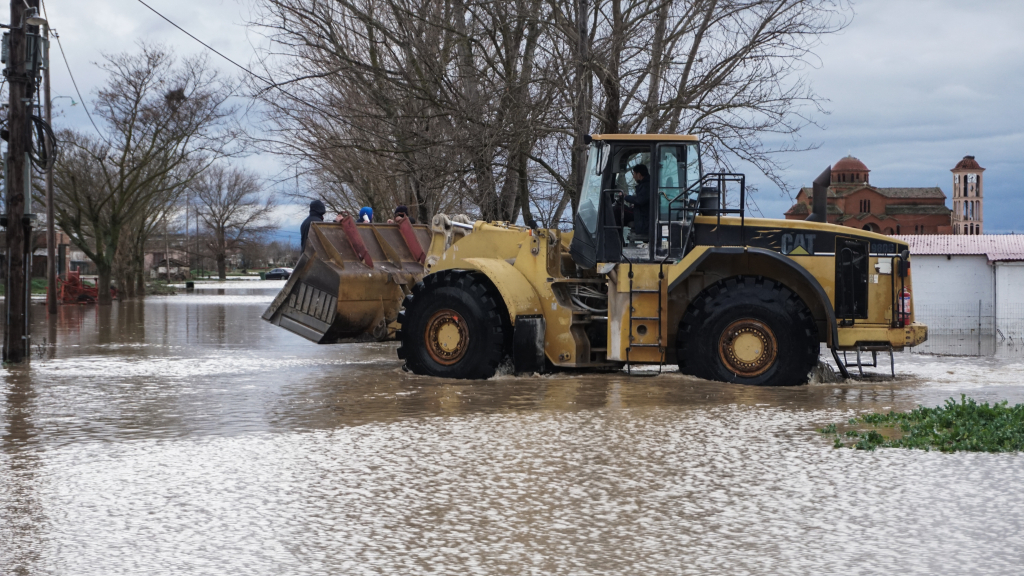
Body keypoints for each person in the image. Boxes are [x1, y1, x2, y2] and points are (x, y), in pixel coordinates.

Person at [624, 164, 651, 238]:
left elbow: (640, 200)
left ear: (639, 174)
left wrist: (626, 197)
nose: (633, 177)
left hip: (643, 217)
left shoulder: (646, 186)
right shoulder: (647, 184)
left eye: (634, 174)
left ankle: (615, 240)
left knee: (618, 210)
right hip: (643, 213)